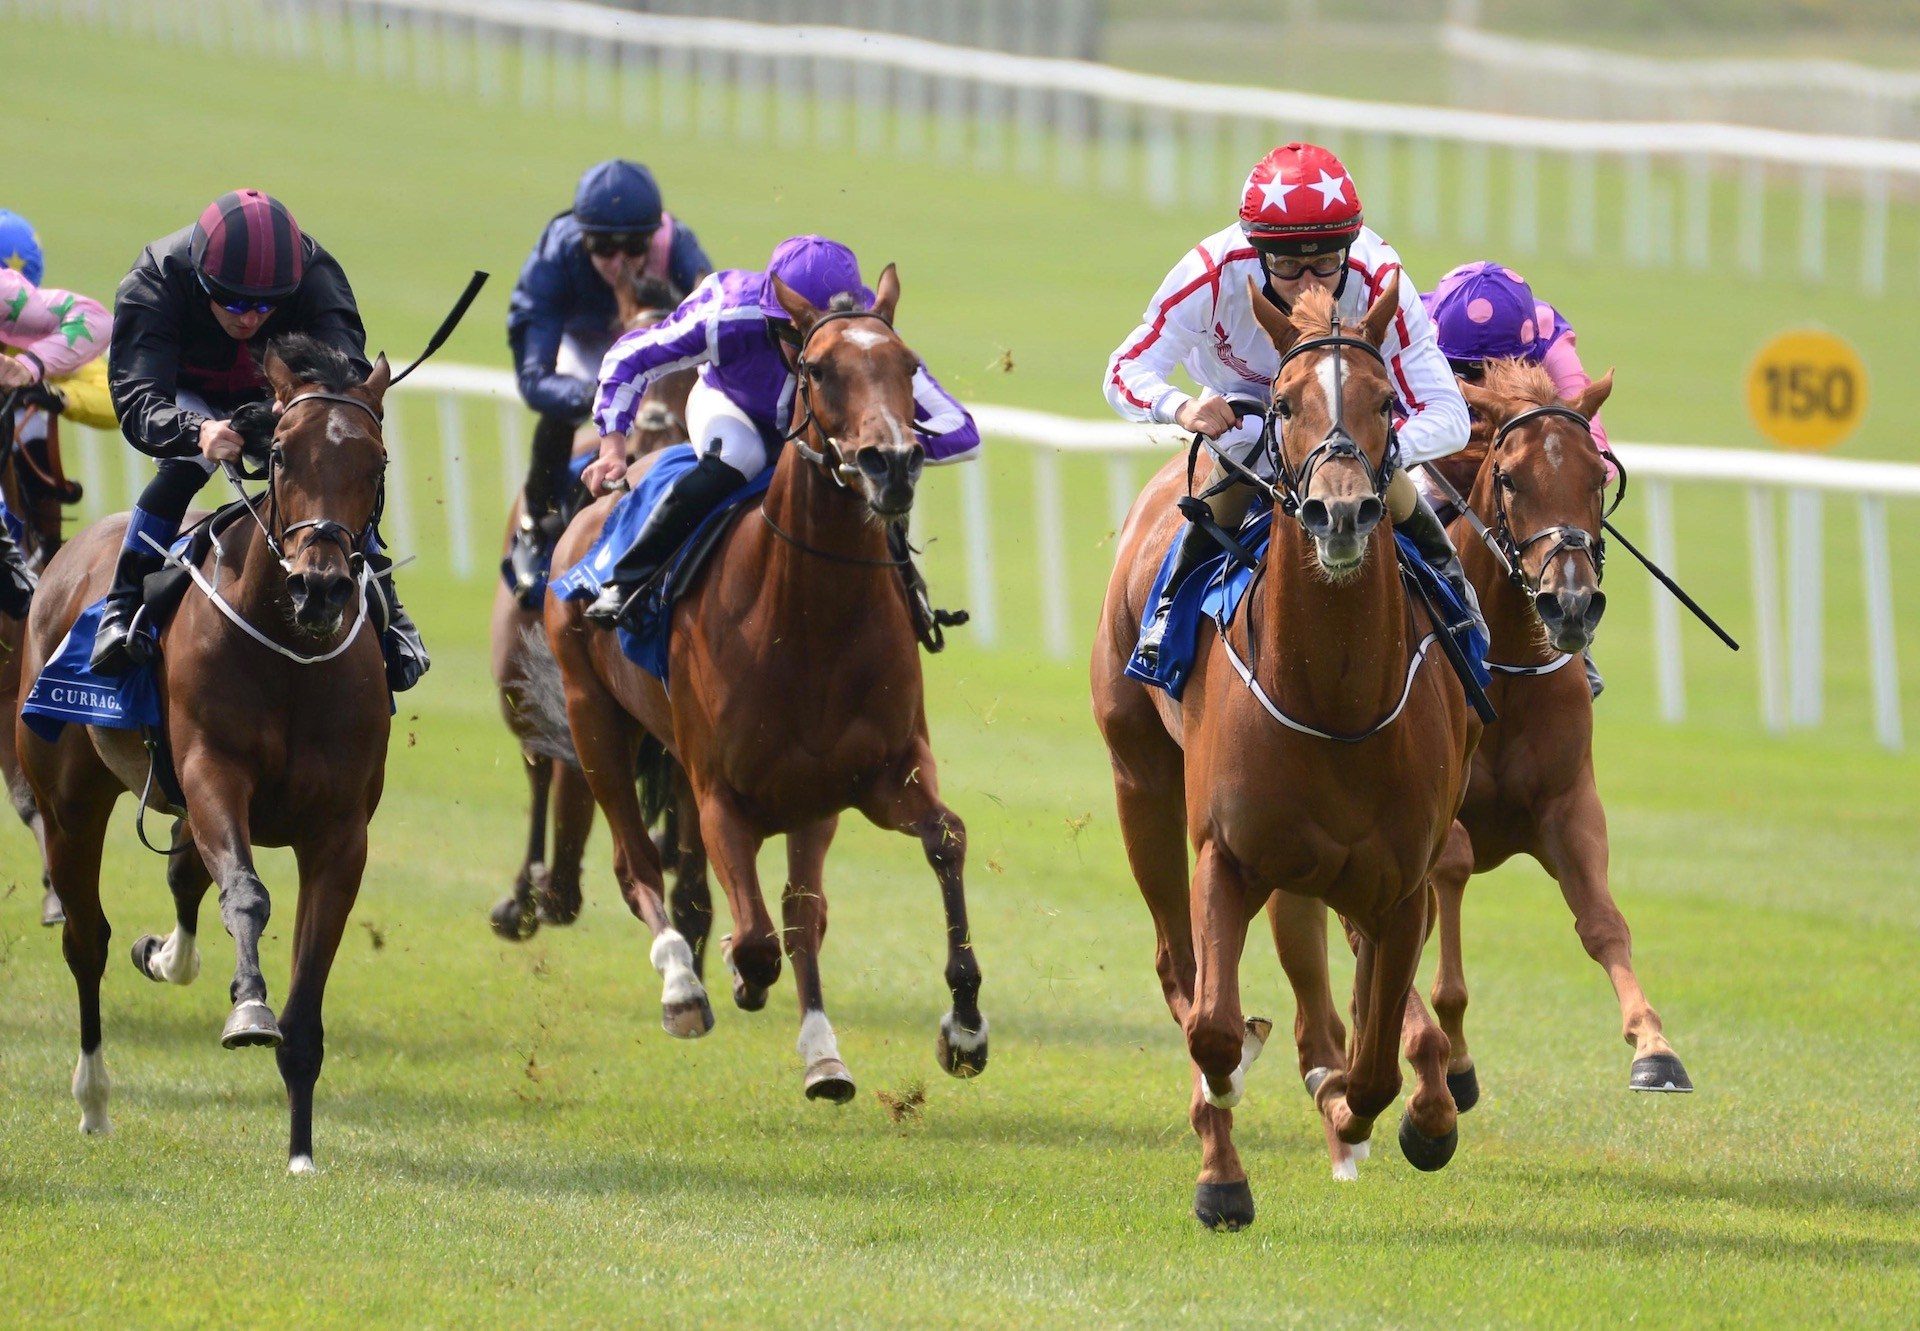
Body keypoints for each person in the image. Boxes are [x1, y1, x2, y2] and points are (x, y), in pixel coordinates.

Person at [1104, 142, 1475, 668]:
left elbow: (1448, 415)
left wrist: (1373, 450)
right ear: (1257, 253)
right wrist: (1181, 408)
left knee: (1383, 472)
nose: (1307, 283)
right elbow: (1123, 369)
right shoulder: (1210, 272)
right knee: (1238, 454)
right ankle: (1167, 615)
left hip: (1346, 415)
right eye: (1286, 265)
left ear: (1348, 248)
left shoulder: (1379, 278)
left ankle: (1460, 608)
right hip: (1245, 407)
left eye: (1326, 263)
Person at [90, 189, 427, 688]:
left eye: (266, 306)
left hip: (281, 393)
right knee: (186, 471)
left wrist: (304, 405)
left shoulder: (314, 275)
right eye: (230, 300)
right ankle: (121, 606)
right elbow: (138, 402)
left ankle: (389, 610)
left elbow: (348, 373)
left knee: (333, 459)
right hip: (188, 395)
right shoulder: (155, 280)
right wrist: (197, 430)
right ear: (200, 277)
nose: (248, 318)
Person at [581, 234, 978, 628]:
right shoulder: (728, 315)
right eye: (796, 337)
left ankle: (914, 601)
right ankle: (629, 579)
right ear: (774, 318)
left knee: (877, 479)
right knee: (740, 457)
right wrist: (613, 445)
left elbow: (960, 428)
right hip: (733, 406)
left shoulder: (867, 340)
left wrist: (885, 444)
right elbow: (629, 356)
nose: (808, 350)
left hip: (824, 430)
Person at [504, 160, 712, 605]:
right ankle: (536, 525)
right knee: (558, 409)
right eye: (603, 247)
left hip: (654, 336)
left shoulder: (679, 248)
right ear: (582, 238)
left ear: (652, 235)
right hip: (586, 348)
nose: (619, 262)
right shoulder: (555, 258)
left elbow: (711, 326)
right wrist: (603, 396)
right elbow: (535, 378)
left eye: (635, 246)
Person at [1425, 260, 1612, 696]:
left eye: (1502, 366)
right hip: (1435, 447)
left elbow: (1592, 441)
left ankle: (1576, 632)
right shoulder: (1414, 327)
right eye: (1469, 372)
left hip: (1519, 451)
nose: (1487, 381)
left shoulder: (1548, 336)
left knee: (1567, 509)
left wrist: (1576, 470)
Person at [0, 262, 112, 616]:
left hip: (18, 451)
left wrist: (53, 391)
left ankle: (42, 556)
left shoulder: (26, 321)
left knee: (28, 421)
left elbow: (113, 401)